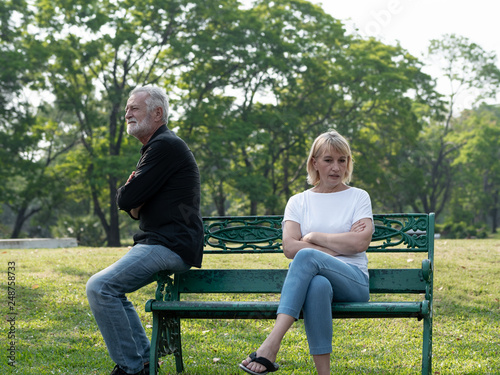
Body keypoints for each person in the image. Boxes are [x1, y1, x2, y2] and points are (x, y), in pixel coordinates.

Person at [86, 86, 204, 375]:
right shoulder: (157, 147)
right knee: (112, 289)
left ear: (157, 113)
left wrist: (131, 192)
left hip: (170, 245)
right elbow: (133, 205)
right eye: (127, 108)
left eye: (134, 108)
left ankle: (131, 369)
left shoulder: (165, 146)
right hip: (161, 243)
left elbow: (126, 200)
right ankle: (144, 359)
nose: (127, 113)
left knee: (100, 287)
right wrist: (133, 195)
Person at [239, 130, 374, 375]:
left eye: (342, 160)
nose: (336, 167)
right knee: (318, 285)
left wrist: (313, 238)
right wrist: (331, 251)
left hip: (353, 280)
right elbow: (289, 247)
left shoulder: (358, 197)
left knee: (307, 255)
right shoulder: (298, 201)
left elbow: (359, 243)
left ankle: (271, 344)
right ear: (314, 162)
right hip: (321, 280)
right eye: (328, 160)